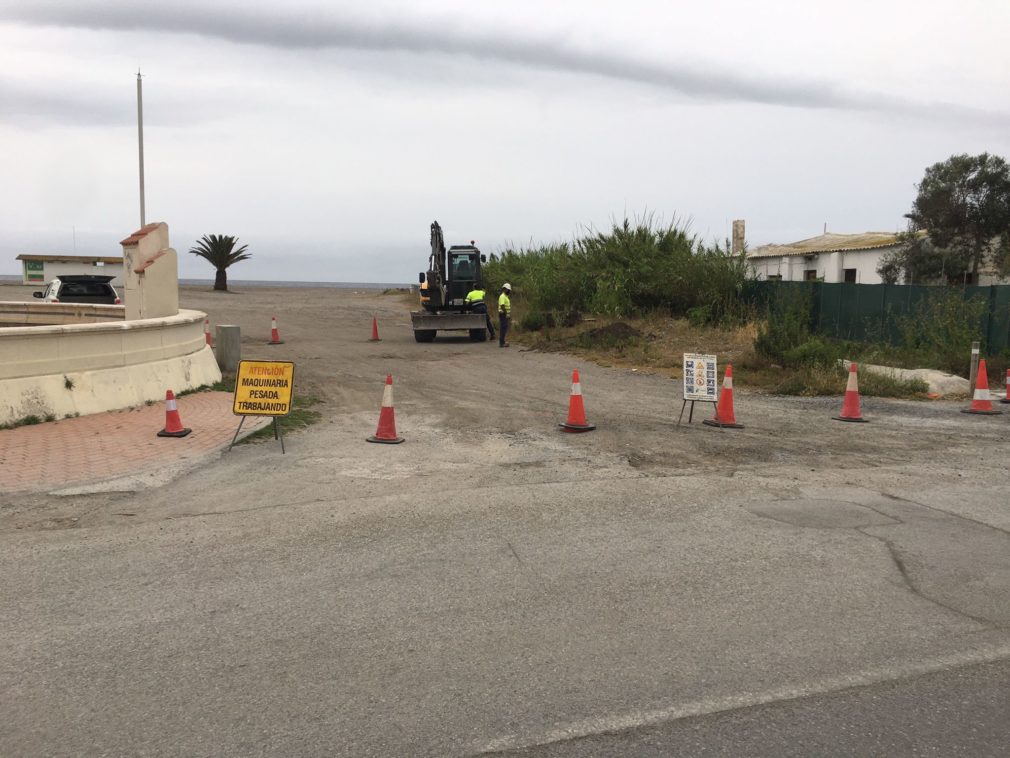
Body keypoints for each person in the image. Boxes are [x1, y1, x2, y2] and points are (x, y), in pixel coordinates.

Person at [498, 283, 512, 348]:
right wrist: (506, 314)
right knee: (503, 328)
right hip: (503, 314)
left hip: (505, 314)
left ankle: (503, 342)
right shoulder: (502, 296)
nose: (509, 291)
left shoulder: (506, 296)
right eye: (508, 290)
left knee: (504, 328)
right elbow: (502, 305)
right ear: (504, 289)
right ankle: (502, 343)